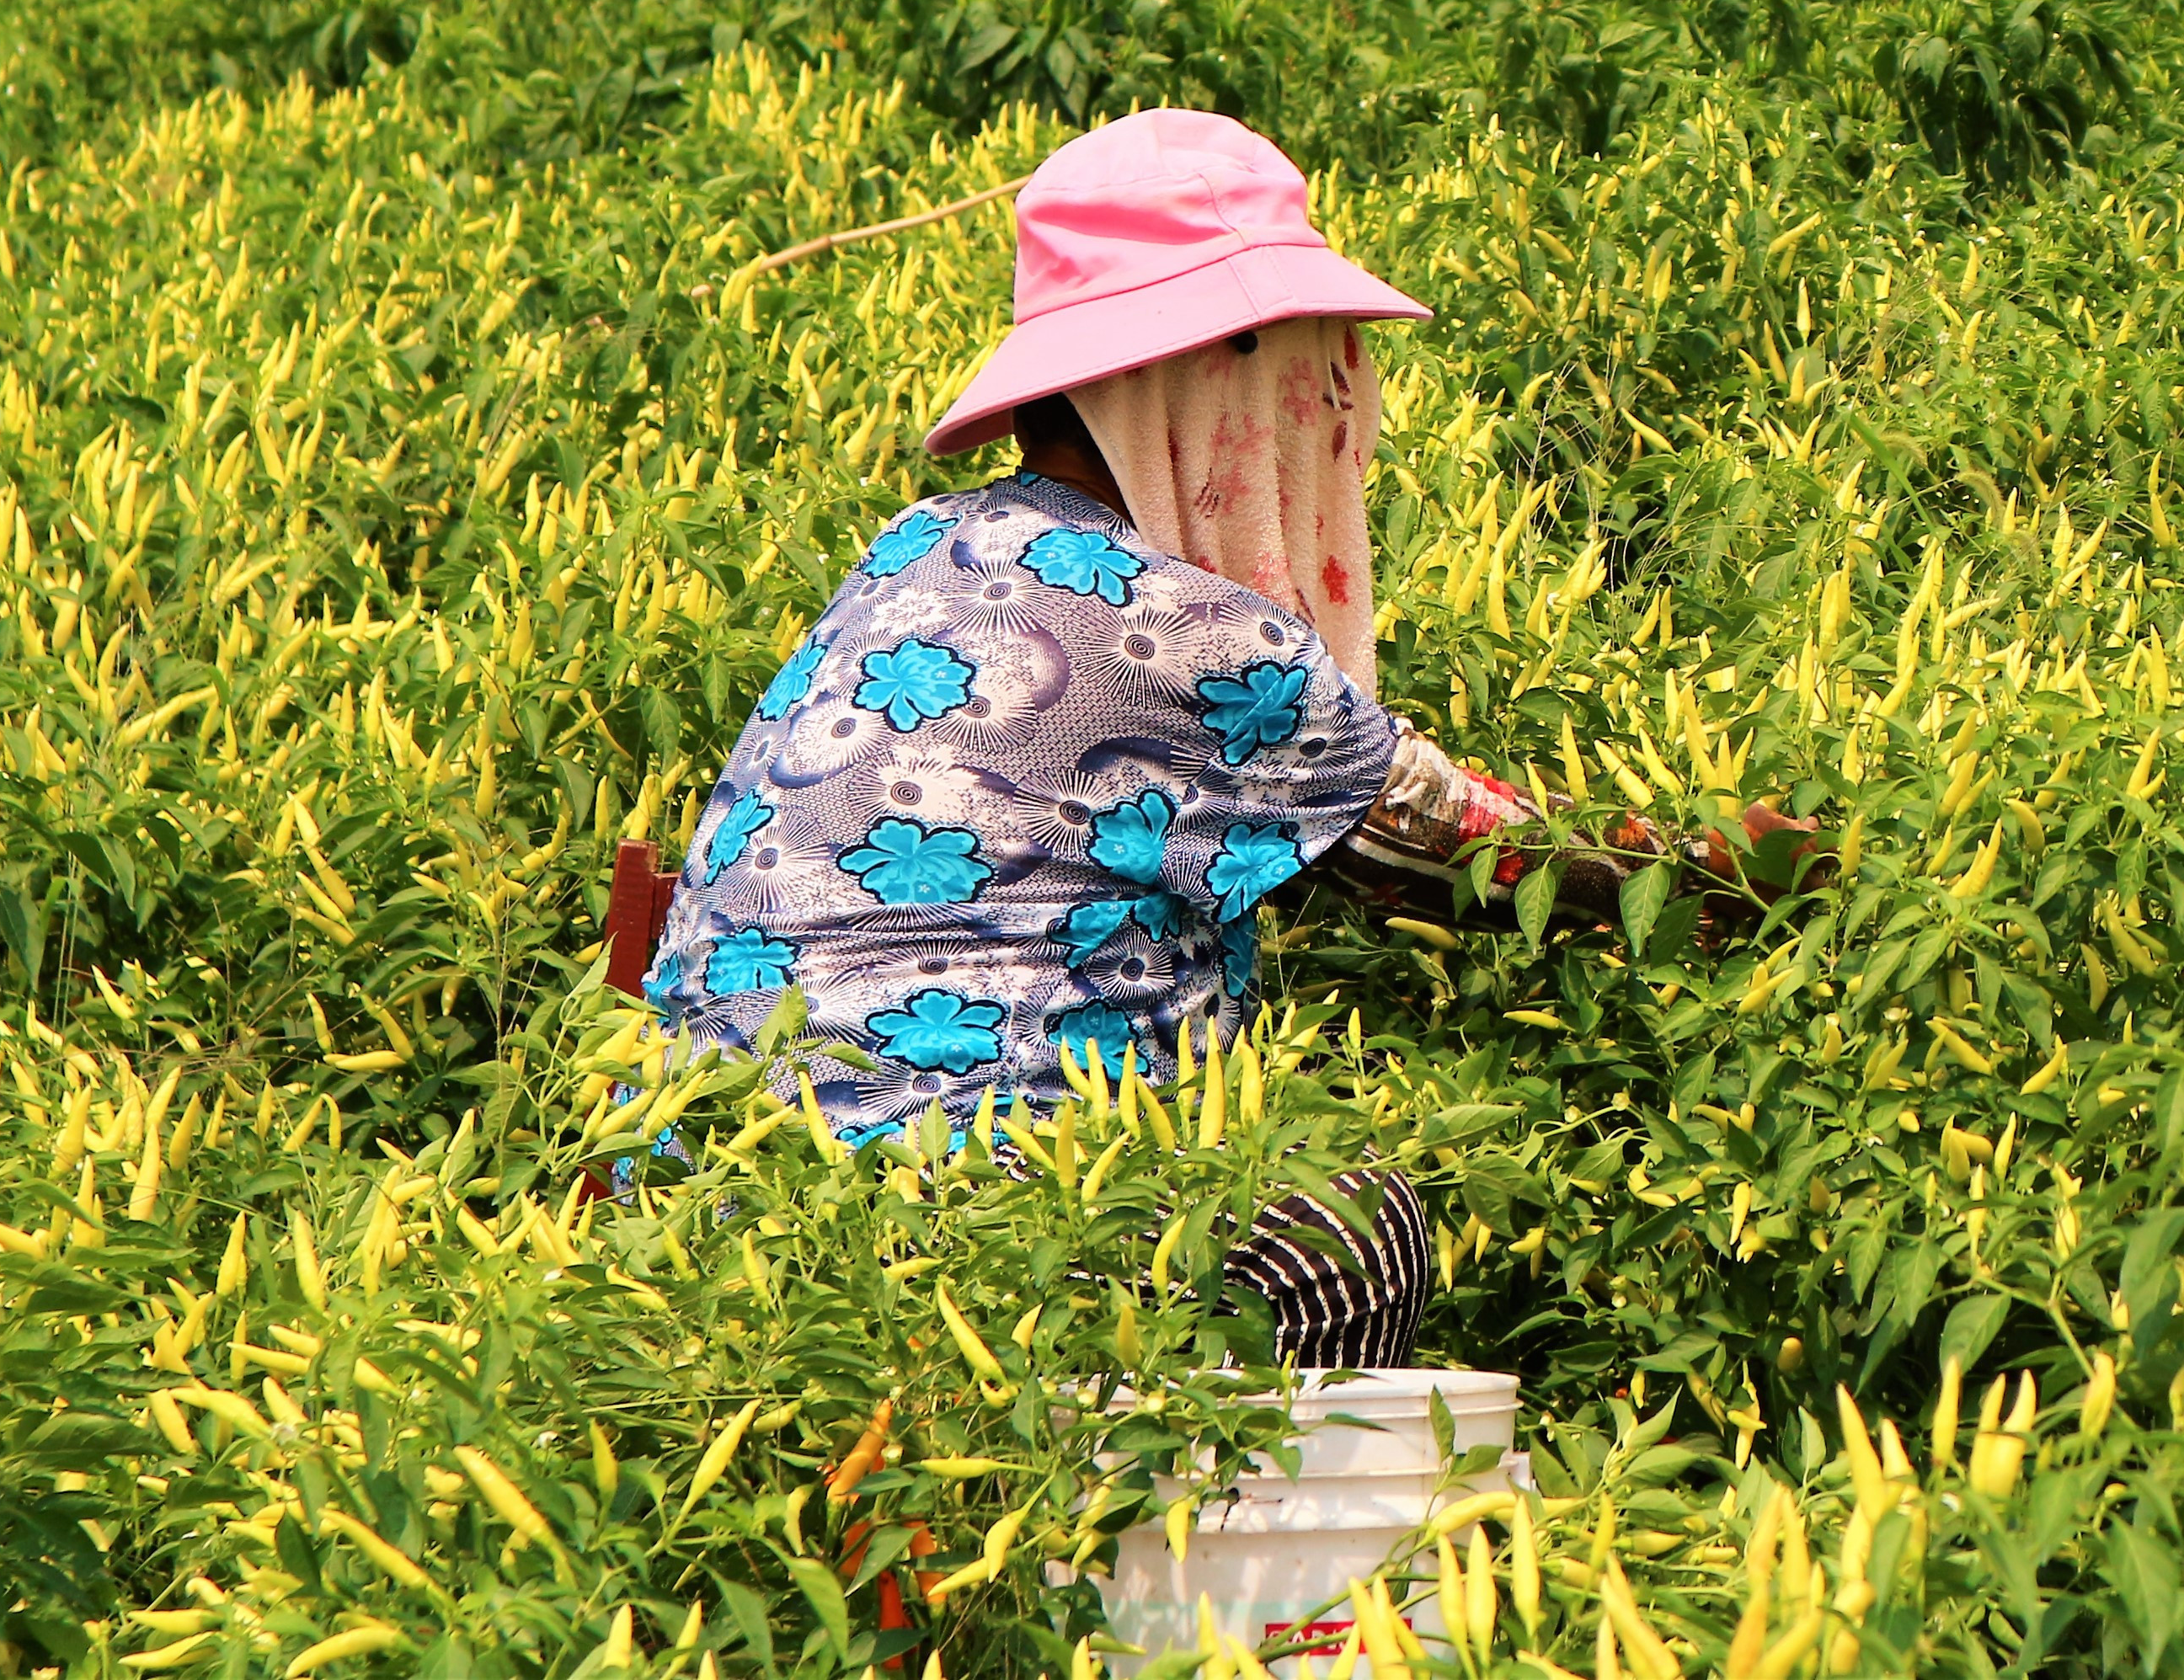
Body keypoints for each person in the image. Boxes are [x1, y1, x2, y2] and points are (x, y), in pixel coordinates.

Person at [645, 109, 1631, 1369]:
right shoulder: (1186, 633)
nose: (1333, 408)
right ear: (1221, 372)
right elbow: (1476, 863)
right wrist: (1711, 876)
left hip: (706, 1176)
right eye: (1310, 369)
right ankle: (1180, 1552)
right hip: (944, 1216)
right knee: (1343, 1229)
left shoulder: (924, 545)